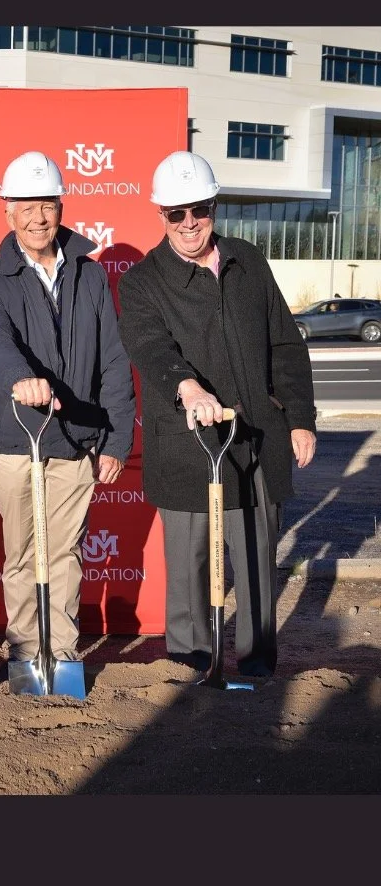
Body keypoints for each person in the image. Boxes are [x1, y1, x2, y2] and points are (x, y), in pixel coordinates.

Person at [116, 151, 317, 677]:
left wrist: (299, 417)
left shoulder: (247, 261)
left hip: (256, 441)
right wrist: (187, 388)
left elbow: (285, 345)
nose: (189, 224)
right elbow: (149, 345)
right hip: (187, 447)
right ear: (160, 214)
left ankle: (256, 668)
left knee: (255, 563)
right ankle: (188, 667)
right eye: (176, 213)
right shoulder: (142, 281)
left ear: (214, 206)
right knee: (188, 570)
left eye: (199, 209)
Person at [0, 151, 136, 673]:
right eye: (26, 206)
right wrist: (21, 379)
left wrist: (117, 437)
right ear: (7, 212)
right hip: (17, 436)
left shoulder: (90, 275)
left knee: (64, 553)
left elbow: (113, 356)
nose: (38, 218)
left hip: (77, 436)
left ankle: (59, 651)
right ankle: (24, 649)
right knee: (20, 553)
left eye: (47, 205)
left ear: (61, 208)